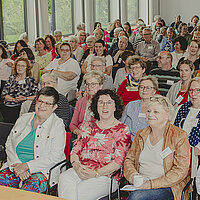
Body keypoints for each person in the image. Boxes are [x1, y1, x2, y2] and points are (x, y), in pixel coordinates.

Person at [59, 89, 131, 200]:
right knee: (64, 178)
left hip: (106, 175)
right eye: (101, 102)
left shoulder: (122, 130)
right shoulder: (87, 126)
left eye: (109, 102)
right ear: (96, 106)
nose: (104, 106)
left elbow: (118, 162)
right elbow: (75, 151)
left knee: (80, 191)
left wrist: (96, 173)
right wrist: (77, 167)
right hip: (81, 169)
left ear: (115, 107)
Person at [124, 95, 191, 200]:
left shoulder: (179, 136)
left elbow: (181, 170)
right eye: (148, 111)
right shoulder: (140, 134)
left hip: (168, 186)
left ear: (167, 115)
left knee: (136, 197)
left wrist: (151, 184)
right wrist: (133, 176)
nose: (150, 114)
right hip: (140, 185)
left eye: (156, 112)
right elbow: (129, 160)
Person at [0, 87, 66, 193]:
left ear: (54, 107)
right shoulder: (23, 118)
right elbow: (9, 144)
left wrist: (27, 166)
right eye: (40, 101)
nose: (42, 106)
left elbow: (56, 156)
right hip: (15, 165)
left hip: (40, 170)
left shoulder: (57, 125)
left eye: (47, 103)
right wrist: (17, 165)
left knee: (27, 192)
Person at [174, 77, 200, 176]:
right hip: (178, 153)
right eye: (191, 90)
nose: (193, 94)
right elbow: (172, 130)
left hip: (195, 156)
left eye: (198, 90)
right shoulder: (182, 108)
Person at [0, 57, 38, 123]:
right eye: (18, 65)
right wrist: (13, 99)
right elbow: (4, 94)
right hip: (8, 105)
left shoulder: (30, 80)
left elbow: (37, 96)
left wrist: (26, 98)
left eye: (23, 66)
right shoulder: (11, 78)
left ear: (27, 68)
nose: (20, 68)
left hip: (21, 107)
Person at [121, 76, 158, 140]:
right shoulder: (131, 105)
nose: (144, 90)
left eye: (148, 88)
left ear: (154, 90)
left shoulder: (157, 108)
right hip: (127, 141)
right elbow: (121, 124)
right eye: (141, 87)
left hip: (147, 143)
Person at [70, 71, 105, 136]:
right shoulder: (81, 102)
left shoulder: (105, 103)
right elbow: (72, 124)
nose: (89, 87)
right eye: (87, 84)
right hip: (80, 134)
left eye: (93, 84)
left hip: (98, 135)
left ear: (100, 86)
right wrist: (78, 132)